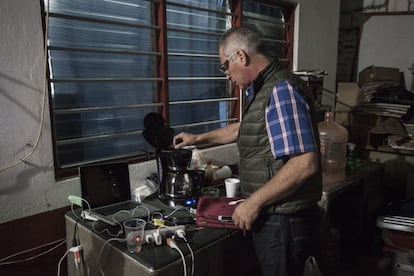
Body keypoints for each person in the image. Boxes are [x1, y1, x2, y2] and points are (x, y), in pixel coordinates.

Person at [174, 26, 323, 276]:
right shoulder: (265, 90)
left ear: (240, 56)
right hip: (276, 214)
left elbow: (305, 163)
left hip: (284, 220)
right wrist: (199, 137)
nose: (226, 76)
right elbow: (246, 128)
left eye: (225, 66)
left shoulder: (281, 90)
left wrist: (253, 202)